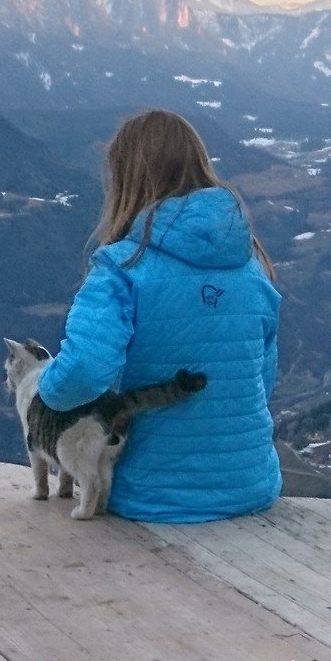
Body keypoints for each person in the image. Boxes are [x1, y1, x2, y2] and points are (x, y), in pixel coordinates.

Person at [36, 108, 282, 523]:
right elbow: (262, 378)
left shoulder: (122, 266)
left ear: (126, 180)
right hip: (251, 486)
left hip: (152, 495)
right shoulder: (251, 265)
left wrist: (44, 387)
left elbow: (84, 371)